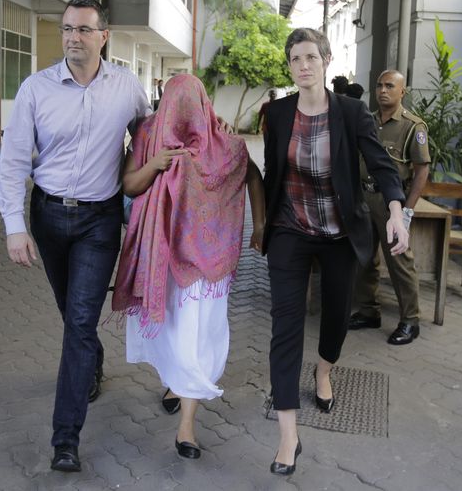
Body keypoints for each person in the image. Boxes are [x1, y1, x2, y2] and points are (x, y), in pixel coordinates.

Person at [0, 0, 151, 474]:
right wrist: (14, 227)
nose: (72, 38)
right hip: (48, 216)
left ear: (104, 36)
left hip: (99, 221)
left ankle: (66, 439)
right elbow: (13, 162)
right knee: (71, 314)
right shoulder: (36, 89)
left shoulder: (127, 88)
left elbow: (151, 137)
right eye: (66, 29)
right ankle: (92, 359)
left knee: (80, 321)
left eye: (83, 30)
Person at [262, 28, 408, 475]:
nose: (302, 65)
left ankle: (324, 370)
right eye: (294, 59)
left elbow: (381, 165)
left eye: (310, 57)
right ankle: (289, 436)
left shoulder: (350, 112)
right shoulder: (278, 112)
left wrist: (398, 212)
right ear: (289, 66)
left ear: (325, 61)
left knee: (335, 315)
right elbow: (272, 174)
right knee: (285, 325)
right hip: (291, 229)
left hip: (340, 232)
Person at [112, 74, 265, 459]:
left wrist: (260, 225)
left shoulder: (223, 142)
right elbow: (129, 185)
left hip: (206, 267)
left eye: (187, 103)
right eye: (172, 102)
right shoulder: (149, 134)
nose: (179, 112)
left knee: (197, 339)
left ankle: (186, 428)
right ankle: (174, 384)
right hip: (162, 256)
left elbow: (252, 174)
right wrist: (157, 165)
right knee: (170, 335)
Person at [349, 69, 431, 345]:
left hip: (391, 204)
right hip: (364, 199)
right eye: (379, 85)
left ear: (402, 92)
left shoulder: (412, 127)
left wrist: (406, 211)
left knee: (399, 262)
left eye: (389, 86)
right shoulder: (367, 121)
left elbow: (421, 172)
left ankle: (410, 321)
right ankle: (368, 311)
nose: (383, 91)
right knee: (364, 259)